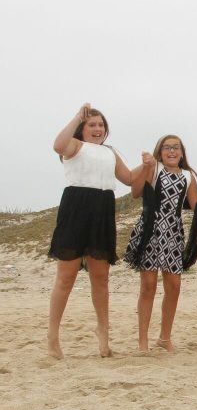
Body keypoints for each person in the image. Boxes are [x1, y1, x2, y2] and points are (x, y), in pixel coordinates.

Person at [48, 104, 137, 359]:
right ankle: (52, 336)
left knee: (101, 277)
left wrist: (149, 164)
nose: (97, 129)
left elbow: (129, 178)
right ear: (83, 129)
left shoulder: (110, 152)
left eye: (101, 125)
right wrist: (77, 115)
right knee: (66, 276)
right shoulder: (74, 146)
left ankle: (103, 332)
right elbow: (57, 145)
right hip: (76, 208)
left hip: (102, 210)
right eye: (92, 125)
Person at [125, 135, 197, 352]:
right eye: (167, 148)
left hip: (173, 233)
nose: (171, 151)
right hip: (150, 230)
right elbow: (135, 192)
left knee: (174, 287)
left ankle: (164, 338)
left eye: (175, 148)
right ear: (160, 151)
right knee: (148, 286)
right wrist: (145, 166)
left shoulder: (188, 176)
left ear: (182, 152)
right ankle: (143, 341)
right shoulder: (154, 167)